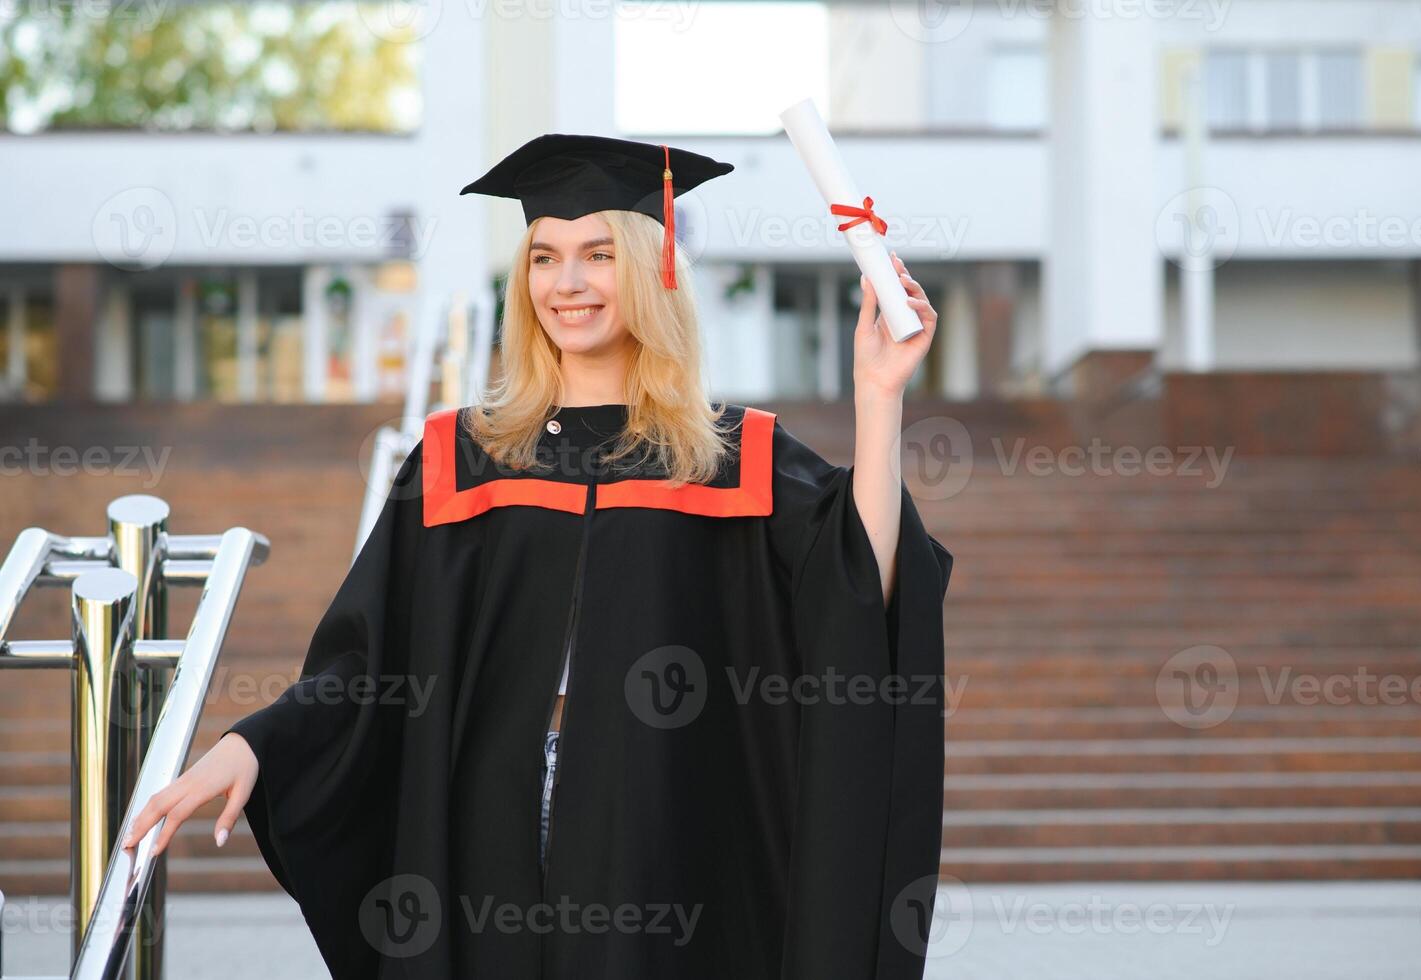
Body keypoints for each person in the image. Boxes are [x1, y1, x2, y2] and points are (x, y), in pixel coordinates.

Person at [121, 133, 953, 979]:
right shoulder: (464, 458)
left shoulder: (732, 456)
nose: (567, 283)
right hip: (489, 824)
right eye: (544, 257)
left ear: (652, 269)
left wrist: (877, 399)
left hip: (664, 823)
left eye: (598, 253)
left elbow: (862, 587)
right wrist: (253, 744)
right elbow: (370, 658)